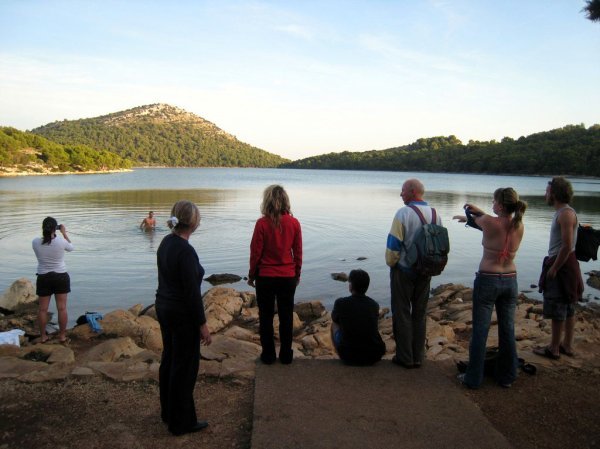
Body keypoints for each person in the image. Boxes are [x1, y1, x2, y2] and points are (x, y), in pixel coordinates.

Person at [453, 187, 527, 389]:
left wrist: (472, 210)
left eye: (494, 201)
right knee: (507, 329)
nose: (492, 204)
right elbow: (490, 222)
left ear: (501, 205)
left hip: (488, 279)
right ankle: (508, 376)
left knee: (480, 330)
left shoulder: (488, 222)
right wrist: (480, 212)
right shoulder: (519, 225)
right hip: (510, 279)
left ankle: (473, 378)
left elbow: (476, 219)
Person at [155, 200, 212, 436]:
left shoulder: (166, 242)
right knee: (185, 367)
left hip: (164, 307)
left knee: (169, 359)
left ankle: (168, 412)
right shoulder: (185, 251)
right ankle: (182, 422)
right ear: (194, 223)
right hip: (181, 313)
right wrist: (202, 324)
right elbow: (191, 294)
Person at [385, 178, 441, 368]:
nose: (401, 194)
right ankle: (418, 356)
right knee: (420, 313)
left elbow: (393, 244)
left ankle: (405, 357)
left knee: (401, 313)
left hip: (404, 270)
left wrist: (391, 264)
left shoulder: (403, 213)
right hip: (426, 270)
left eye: (403, 191)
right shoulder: (435, 214)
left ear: (412, 191)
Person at [248, 185, 302, 365]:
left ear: (267, 201)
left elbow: (256, 252)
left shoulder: (261, 224)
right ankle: (286, 355)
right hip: (287, 276)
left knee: (266, 316)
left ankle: (269, 355)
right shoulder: (294, 223)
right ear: (286, 200)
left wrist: (251, 275)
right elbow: (298, 252)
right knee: (286, 316)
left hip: (266, 277)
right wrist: (297, 273)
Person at [534, 177, 583, 360]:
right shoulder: (563, 212)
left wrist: (554, 268)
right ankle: (566, 346)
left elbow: (567, 245)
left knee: (559, 306)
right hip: (566, 263)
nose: (545, 194)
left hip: (563, 264)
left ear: (554, 193)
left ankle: (554, 348)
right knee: (569, 305)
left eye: (547, 191)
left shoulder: (565, 214)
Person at [330, 269, 386, 365]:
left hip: (348, 356)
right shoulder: (374, 305)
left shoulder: (340, 303)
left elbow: (335, 319)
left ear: (351, 286)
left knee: (333, 324)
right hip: (374, 356)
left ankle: (341, 354)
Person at [32, 217, 74, 344]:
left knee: (42, 309)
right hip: (60, 276)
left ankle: (43, 336)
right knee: (62, 308)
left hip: (44, 277)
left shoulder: (35, 242)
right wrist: (64, 232)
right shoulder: (61, 241)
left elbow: (46, 242)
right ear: (55, 228)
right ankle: (62, 336)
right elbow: (71, 247)